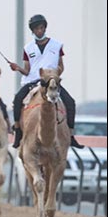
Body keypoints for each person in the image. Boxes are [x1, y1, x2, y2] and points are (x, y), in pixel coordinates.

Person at [8, 14, 84, 149]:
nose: (39, 31)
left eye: (41, 28)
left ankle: (71, 135)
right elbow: (27, 70)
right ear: (32, 31)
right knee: (18, 99)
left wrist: (55, 75)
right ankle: (18, 132)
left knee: (70, 102)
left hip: (52, 81)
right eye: (36, 29)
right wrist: (18, 68)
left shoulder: (57, 45)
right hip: (33, 81)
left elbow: (61, 65)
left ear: (45, 28)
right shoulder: (28, 48)